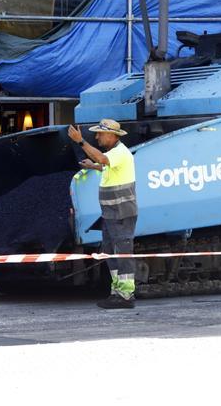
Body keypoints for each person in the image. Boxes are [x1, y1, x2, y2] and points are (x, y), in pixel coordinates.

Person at [68, 118, 138, 310]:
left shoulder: (119, 153)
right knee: (109, 251)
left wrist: (81, 141)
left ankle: (125, 294)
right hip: (111, 213)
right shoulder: (114, 154)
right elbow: (104, 164)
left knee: (122, 252)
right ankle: (117, 291)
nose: (97, 137)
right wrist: (93, 166)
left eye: (99, 133)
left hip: (121, 212)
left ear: (111, 135)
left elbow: (103, 160)